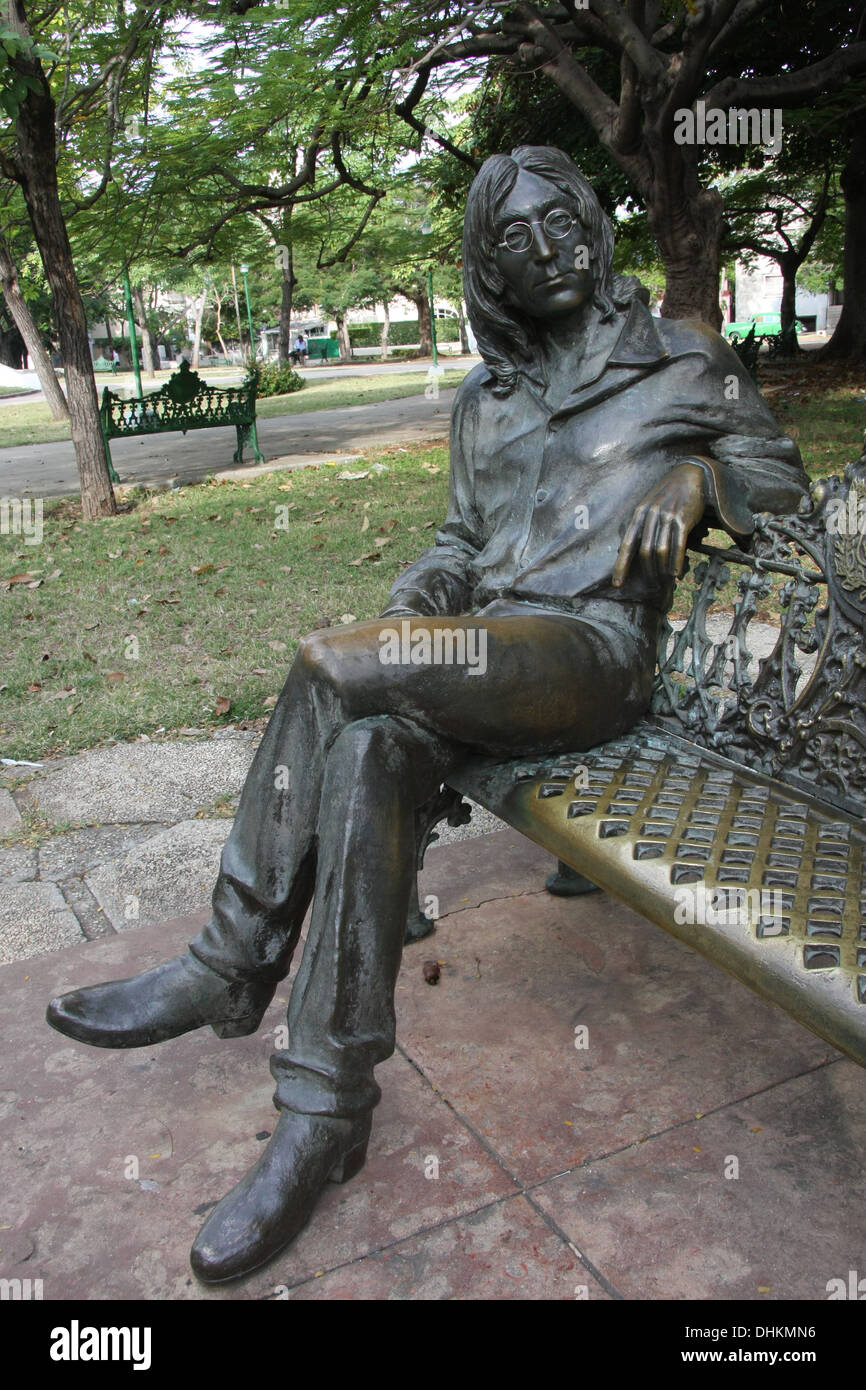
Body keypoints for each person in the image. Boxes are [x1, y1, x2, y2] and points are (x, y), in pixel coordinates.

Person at [46, 146, 808, 1284]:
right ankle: (323, 1112)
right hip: (482, 651)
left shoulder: (677, 358)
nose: (544, 248)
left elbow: (780, 474)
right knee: (364, 750)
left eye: (561, 223)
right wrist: (415, 605)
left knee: (333, 666)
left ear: (594, 230)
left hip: (590, 654)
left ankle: (229, 958)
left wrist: (699, 483)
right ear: (485, 265)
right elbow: (459, 541)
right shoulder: (485, 401)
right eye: (513, 237)